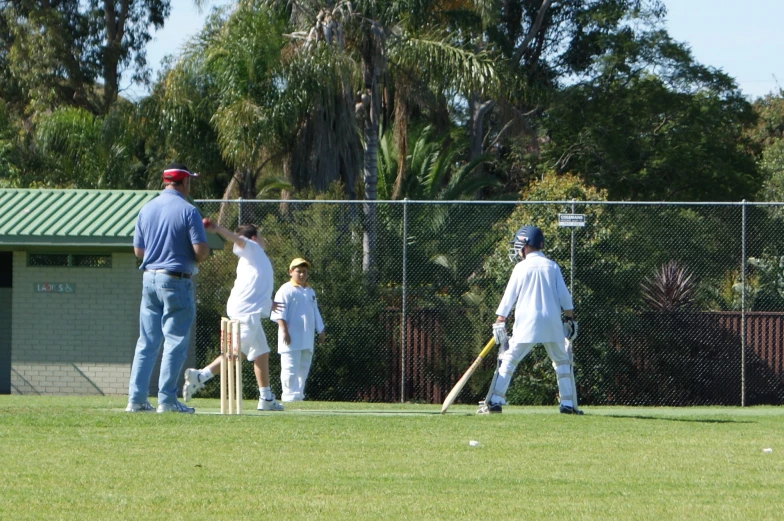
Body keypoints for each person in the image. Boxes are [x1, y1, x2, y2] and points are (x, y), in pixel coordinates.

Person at [126, 163, 210, 414]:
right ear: (184, 182)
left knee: (147, 342)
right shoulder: (189, 210)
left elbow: (139, 252)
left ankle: (137, 400)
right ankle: (167, 400)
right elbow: (200, 251)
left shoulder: (147, 208)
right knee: (175, 342)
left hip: (149, 279)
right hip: (176, 280)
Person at [478, 225, 581, 415]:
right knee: (562, 361)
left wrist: (500, 320)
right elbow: (565, 298)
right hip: (552, 322)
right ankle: (568, 404)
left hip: (527, 323)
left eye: (519, 245)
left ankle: (495, 401)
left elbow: (509, 297)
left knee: (509, 359)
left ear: (526, 244)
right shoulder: (552, 266)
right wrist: (569, 319)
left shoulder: (521, 267)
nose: (517, 249)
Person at [181, 223, 284, 411]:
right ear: (253, 238)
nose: (263, 240)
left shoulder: (252, 259)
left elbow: (254, 286)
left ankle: (266, 398)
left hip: (245, 309)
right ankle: (201, 376)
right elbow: (239, 240)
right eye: (260, 236)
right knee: (237, 354)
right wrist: (218, 229)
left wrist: (269, 303)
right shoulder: (253, 249)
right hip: (247, 312)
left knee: (261, 353)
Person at [270, 258, 325, 402]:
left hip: (307, 338)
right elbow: (278, 313)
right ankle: (289, 396)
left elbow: (315, 311)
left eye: (304, 272)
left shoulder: (310, 291)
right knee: (290, 367)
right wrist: (285, 331)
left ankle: (299, 395)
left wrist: (321, 330)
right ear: (290, 272)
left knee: (304, 367)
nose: (302, 274)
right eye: (298, 271)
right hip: (291, 337)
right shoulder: (285, 289)